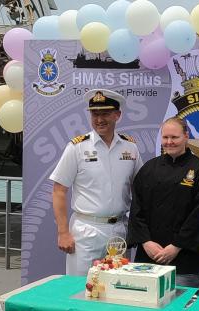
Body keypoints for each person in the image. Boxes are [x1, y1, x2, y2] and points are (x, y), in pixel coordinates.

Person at [50, 89, 143, 276]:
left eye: (105, 114)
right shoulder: (77, 147)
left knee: (117, 287)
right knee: (80, 288)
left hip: (119, 231)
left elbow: (139, 187)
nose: (99, 119)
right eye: (95, 114)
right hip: (86, 231)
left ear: (117, 115)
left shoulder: (130, 147)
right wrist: (63, 233)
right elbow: (59, 190)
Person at [127, 117, 199, 288]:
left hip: (184, 259)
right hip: (149, 258)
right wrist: (146, 242)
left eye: (174, 137)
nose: (169, 142)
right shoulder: (149, 169)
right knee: (145, 310)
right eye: (165, 137)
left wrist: (176, 246)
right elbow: (136, 208)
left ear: (186, 136)